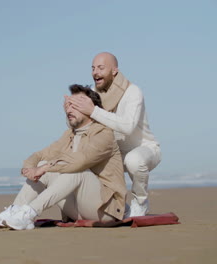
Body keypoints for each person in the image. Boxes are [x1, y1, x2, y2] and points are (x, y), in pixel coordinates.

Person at [0, 84, 127, 230]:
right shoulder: (69, 135)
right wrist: (30, 167)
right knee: (46, 164)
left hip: (106, 210)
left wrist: (45, 168)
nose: (69, 110)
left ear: (90, 108)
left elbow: (81, 161)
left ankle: (29, 214)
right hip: (78, 210)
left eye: (75, 106)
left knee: (76, 171)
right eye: (68, 105)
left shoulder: (104, 133)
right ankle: (15, 210)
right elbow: (40, 155)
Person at [65, 52, 161, 216]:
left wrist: (93, 111)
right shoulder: (91, 94)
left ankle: (141, 203)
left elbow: (127, 126)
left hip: (145, 149)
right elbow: (81, 125)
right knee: (84, 161)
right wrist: (70, 110)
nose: (95, 72)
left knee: (134, 160)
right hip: (115, 153)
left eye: (101, 68)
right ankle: (119, 207)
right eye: (93, 68)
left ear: (114, 70)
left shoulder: (133, 91)